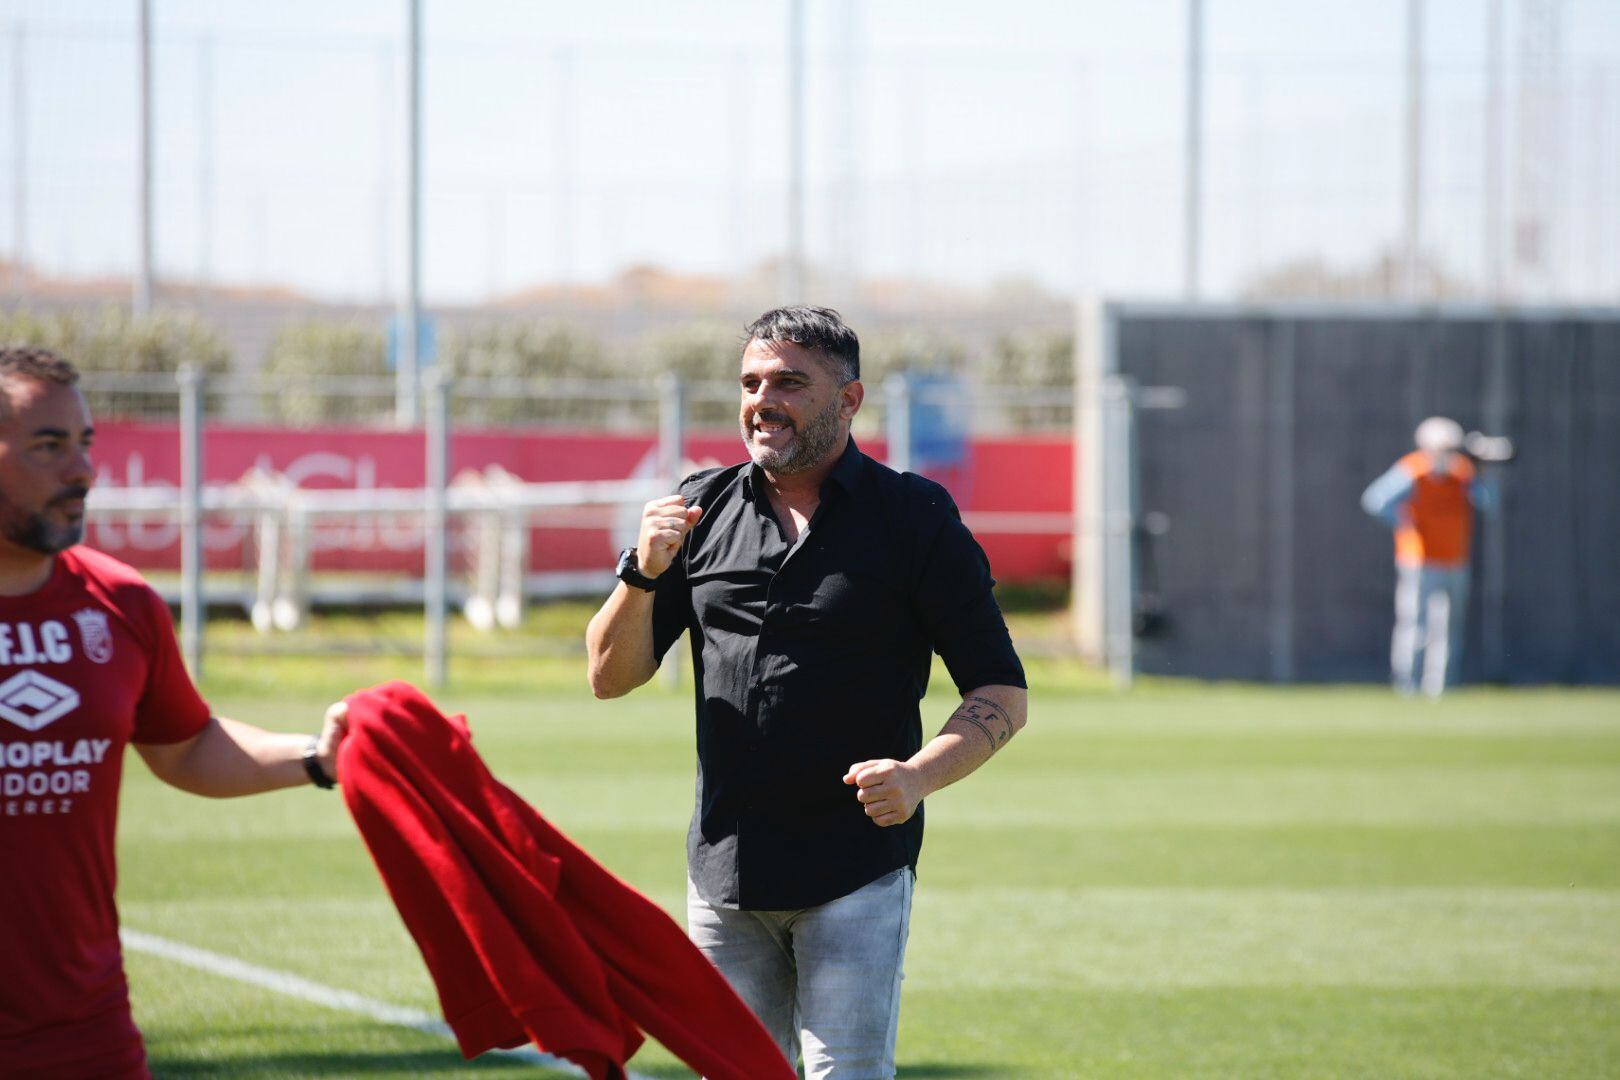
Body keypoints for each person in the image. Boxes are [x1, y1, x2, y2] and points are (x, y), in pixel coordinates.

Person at [585, 306, 1027, 1079]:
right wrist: (643, 573)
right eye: (752, 383)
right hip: (724, 873)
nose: (764, 400)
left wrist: (919, 776)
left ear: (850, 400)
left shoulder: (913, 517)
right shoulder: (700, 508)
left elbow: (1002, 690)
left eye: (790, 382)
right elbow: (608, 677)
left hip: (854, 870)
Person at [0, 346, 349, 1079]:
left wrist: (319, 756)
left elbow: (185, 745)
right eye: (49, 445)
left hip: (86, 1033)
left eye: (85, 442)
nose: (82, 471)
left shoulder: (121, 605)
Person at [1360, 415, 1496, 697]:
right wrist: (1406, 523)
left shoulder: (1463, 473)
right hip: (1419, 559)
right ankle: (1406, 686)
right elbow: (1376, 500)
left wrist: (1480, 471)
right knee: (1415, 624)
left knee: (1448, 627)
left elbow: (1488, 502)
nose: (1446, 454)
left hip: (1454, 559)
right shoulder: (1414, 469)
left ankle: (1440, 686)